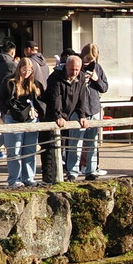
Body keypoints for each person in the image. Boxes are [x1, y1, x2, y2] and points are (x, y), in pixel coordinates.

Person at [46, 52, 100, 181]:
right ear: (66, 67)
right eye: (72, 69)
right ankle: (71, 171)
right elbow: (55, 97)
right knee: (71, 143)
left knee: (91, 142)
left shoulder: (81, 76)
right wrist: (58, 115)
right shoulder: (56, 77)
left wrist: (82, 114)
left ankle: (90, 171)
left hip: (78, 109)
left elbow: (82, 97)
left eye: (77, 69)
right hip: (57, 110)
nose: (74, 72)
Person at [1, 60, 46, 186]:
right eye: (24, 70)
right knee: (14, 150)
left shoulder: (35, 84)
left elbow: (41, 100)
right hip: (13, 117)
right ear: (19, 68)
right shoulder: (10, 82)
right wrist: (7, 111)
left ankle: (28, 178)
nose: (26, 73)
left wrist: (37, 109)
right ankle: (14, 179)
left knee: (30, 149)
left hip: (31, 118)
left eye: (29, 70)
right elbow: (2, 99)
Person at [78, 43, 109, 177]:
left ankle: (91, 169)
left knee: (93, 142)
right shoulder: (76, 66)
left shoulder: (98, 68)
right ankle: (74, 170)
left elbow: (105, 87)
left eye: (93, 59)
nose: (90, 62)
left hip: (94, 107)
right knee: (76, 142)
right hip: (79, 109)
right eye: (87, 59)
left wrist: (96, 79)